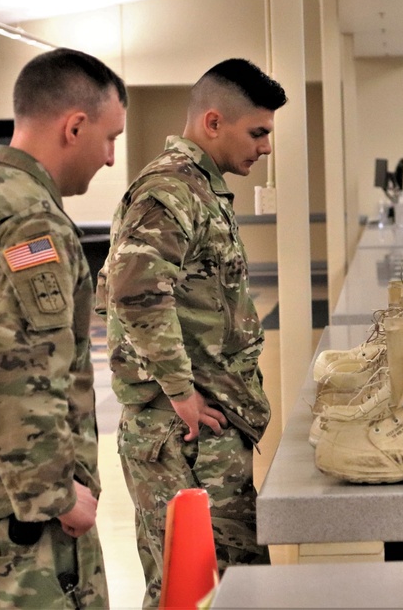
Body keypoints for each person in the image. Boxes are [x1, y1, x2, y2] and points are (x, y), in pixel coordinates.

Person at [95, 59, 287, 607]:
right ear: (212, 122)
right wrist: (180, 393)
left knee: (233, 587)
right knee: (189, 590)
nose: (265, 147)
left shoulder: (201, 188)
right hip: (180, 434)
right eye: (258, 132)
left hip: (207, 425)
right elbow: (134, 290)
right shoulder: (170, 190)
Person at [0, 47, 127, 608]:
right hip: (22, 521)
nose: (111, 158)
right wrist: (55, 496)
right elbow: (18, 368)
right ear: (74, 126)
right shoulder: (34, 223)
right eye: (110, 137)